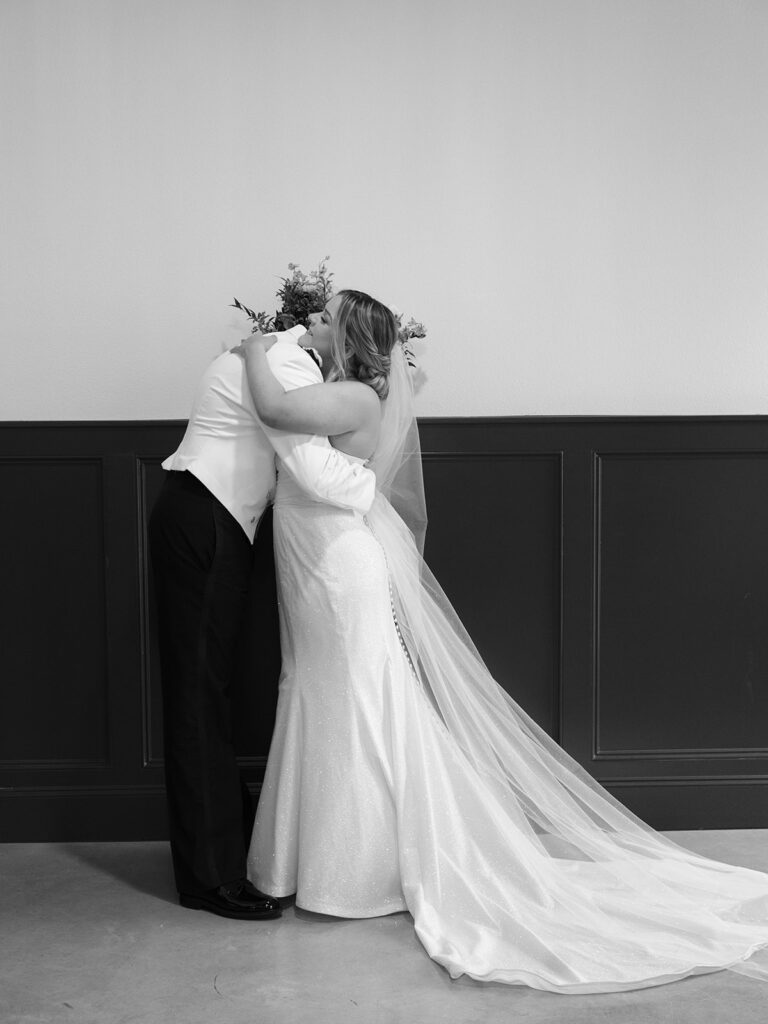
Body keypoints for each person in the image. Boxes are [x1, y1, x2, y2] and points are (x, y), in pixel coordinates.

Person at [236, 289, 768, 992]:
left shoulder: (359, 399)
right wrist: (297, 350)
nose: (316, 323)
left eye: (328, 318)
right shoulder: (348, 388)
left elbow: (279, 417)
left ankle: (358, 875)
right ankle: (313, 860)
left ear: (354, 337)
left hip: (338, 570)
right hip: (312, 567)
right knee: (322, 695)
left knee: (351, 705)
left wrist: (254, 350)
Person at [148, 324, 376, 921]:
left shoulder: (276, 355)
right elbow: (307, 464)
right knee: (200, 697)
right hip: (207, 519)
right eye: (318, 316)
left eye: (326, 316)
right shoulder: (289, 364)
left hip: (201, 515)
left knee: (205, 694)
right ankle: (210, 878)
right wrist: (379, 491)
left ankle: (217, 856)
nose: (314, 322)